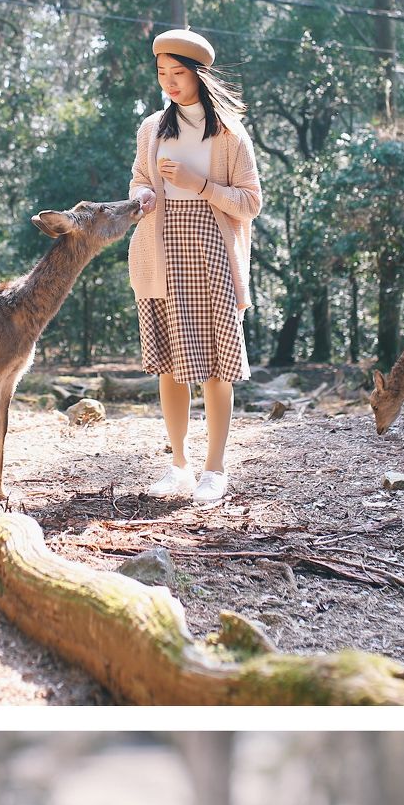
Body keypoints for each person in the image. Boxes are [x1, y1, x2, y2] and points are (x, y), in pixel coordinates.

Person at [127, 29, 263, 506]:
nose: (169, 83)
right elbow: (138, 181)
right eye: (162, 74)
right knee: (169, 364)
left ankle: (215, 469)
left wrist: (198, 182)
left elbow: (250, 203)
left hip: (211, 254)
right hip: (160, 253)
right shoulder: (151, 128)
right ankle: (178, 465)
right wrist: (142, 196)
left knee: (215, 366)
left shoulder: (229, 133)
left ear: (199, 75)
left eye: (177, 74)